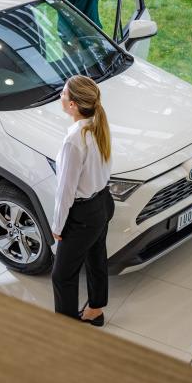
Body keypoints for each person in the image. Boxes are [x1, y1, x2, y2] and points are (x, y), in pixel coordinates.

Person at [51, 75, 115, 326]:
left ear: (73, 105)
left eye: (63, 93)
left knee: (62, 276)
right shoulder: (99, 127)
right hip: (103, 203)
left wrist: (57, 226)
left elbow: (65, 192)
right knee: (96, 258)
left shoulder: (74, 141)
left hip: (83, 215)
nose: (60, 96)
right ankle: (96, 310)